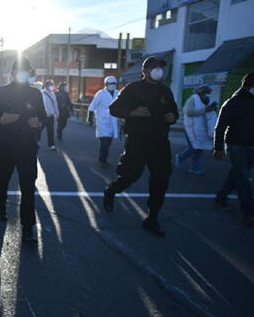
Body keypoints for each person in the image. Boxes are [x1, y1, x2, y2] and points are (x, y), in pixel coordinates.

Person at [102, 56, 178, 237]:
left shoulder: (165, 91)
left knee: (161, 178)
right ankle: (111, 191)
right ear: (145, 71)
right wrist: (132, 112)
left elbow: (173, 110)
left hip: (160, 141)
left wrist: (173, 117)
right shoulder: (133, 88)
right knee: (130, 175)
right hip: (138, 140)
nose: (158, 69)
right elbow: (114, 108)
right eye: (154, 66)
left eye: (160, 66)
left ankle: (152, 218)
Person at [0, 57, 46, 242]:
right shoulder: (1, 92)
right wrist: (1, 119)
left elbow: (43, 116)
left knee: (28, 188)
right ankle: (1, 207)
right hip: (5, 146)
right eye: (19, 71)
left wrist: (39, 123)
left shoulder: (35, 94)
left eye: (26, 71)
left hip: (28, 147)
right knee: (2, 179)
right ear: (11, 73)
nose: (23, 74)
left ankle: (28, 228)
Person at [213, 72, 254, 225]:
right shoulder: (233, 102)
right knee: (243, 177)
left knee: (237, 174)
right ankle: (249, 212)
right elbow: (220, 126)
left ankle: (220, 197)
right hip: (235, 146)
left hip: (251, 146)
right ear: (249, 86)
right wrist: (217, 147)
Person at [175, 84, 218, 175]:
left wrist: (213, 109)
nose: (207, 95)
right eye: (205, 93)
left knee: (200, 148)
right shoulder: (192, 100)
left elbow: (211, 114)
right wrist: (205, 110)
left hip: (203, 128)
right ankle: (180, 157)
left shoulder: (208, 101)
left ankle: (195, 167)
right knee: (194, 147)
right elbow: (189, 112)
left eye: (208, 93)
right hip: (191, 128)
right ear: (200, 93)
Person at [88, 76, 120, 168]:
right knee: (104, 142)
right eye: (111, 84)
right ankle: (102, 160)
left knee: (108, 142)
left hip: (113, 121)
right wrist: (90, 119)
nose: (113, 85)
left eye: (114, 84)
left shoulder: (118, 93)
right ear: (106, 84)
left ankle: (103, 158)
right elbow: (92, 106)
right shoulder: (100, 93)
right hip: (102, 121)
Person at [40, 79, 59, 150]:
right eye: (51, 85)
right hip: (43, 115)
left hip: (50, 115)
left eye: (52, 85)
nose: (52, 86)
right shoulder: (41, 93)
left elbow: (55, 104)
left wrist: (57, 114)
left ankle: (51, 145)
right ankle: (36, 141)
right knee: (39, 129)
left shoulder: (53, 94)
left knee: (50, 131)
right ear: (46, 86)